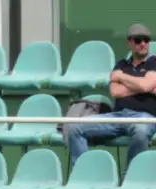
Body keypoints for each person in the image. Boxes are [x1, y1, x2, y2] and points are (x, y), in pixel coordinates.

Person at [64, 23, 156, 171]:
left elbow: (144, 85)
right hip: (117, 116)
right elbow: (115, 92)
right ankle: (84, 175)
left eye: (146, 40)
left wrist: (123, 78)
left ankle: (130, 178)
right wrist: (144, 87)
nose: (143, 44)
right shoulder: (121, 64)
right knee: (74, 128)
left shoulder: (154, 62)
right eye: (138, 40)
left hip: (144, 116)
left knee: (141, 131)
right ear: (129, 42)